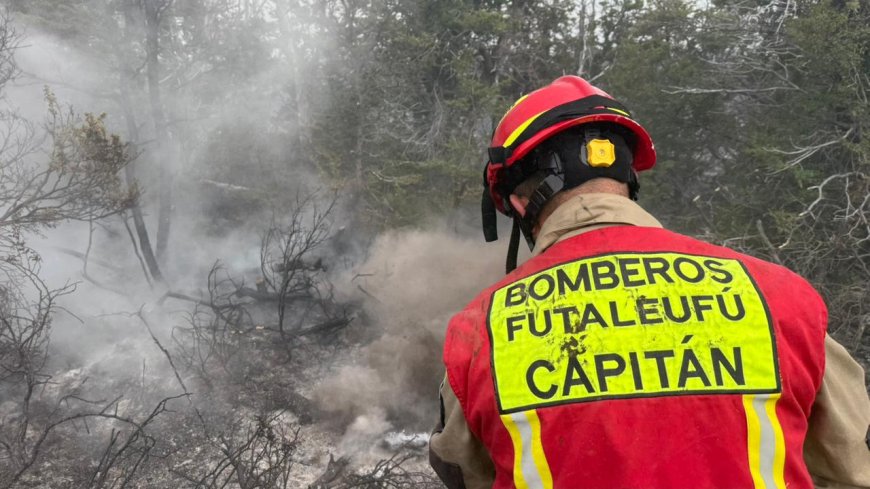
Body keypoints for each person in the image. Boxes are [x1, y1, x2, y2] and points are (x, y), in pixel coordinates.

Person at [429, 75, 870, 489]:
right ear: (627, 178)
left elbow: (465, 472)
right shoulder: (782, 298)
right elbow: (847, 467)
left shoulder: (480, 331)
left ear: (519, 201)